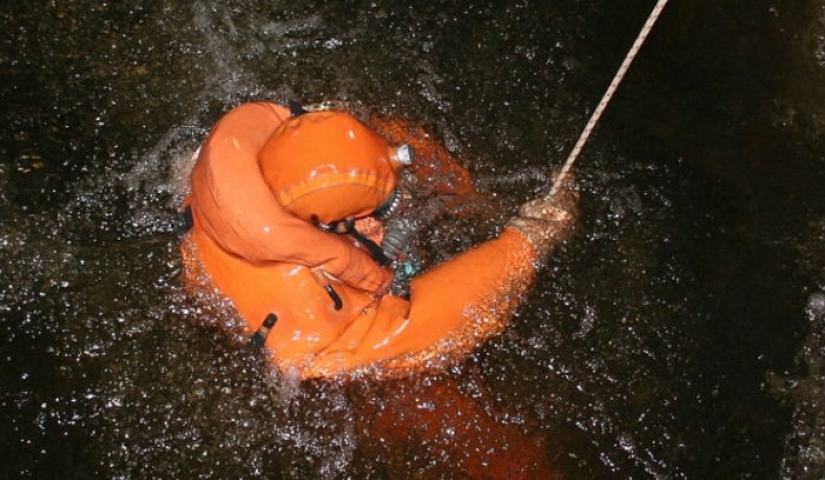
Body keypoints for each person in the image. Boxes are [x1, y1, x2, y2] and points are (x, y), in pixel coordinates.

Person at [180, 101, 576, 379]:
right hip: (308, 357)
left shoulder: (241, 153)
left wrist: (469, 196)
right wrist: (528, 241)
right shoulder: (316, 333)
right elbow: (435, 325)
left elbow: (341, 146)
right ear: (327, 227)